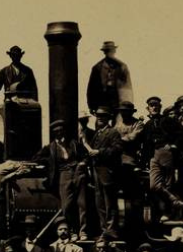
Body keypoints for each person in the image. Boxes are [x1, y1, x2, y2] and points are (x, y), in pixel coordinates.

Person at [34, 120, 87, 238]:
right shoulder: (50, 147)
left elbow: (85, 156)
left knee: (82, 203)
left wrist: (83, 163)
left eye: (61, 131)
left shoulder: (73, 143)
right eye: (56, 132)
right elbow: (36, 158)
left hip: (78, 172)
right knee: (66, 206)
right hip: (63, 174)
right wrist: (49, 162)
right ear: (53, 133)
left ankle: (83, 231)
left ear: (64, 131)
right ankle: (72, 231)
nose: (59, 133)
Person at [141, 96, 183, 220]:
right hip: (154, 155)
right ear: (148, 108)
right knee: (154, 186)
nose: (154, 107)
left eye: (156, 105)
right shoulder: (148, 125)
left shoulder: (167, 120)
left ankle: (168, 213)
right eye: (152, 105)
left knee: (168, 184)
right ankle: (174, 201)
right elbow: (145, 145)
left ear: (160, 107)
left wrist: (174, 145)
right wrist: (143, 162)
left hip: (166, 153)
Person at [84, 106, 123, 235]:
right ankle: (104, 229)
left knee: (109, 202)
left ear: (108, 118)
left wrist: (99, 152)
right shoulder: (97, 133)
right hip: (96, 171)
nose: (100, 118)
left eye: (103, 116)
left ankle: (112, 229)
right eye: (98, 116)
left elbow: (117, 149)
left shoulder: (113, 132)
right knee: (99, 202)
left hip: (108, 172)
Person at [86, 41, 133, 113]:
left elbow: (127, 87)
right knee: (101, 121)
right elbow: (91, 88)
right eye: (107, 51)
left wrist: (128, 105)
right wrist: (91, 105)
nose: (109, 53)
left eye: (111, 51)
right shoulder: (97, 67)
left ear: (114, 51)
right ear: (104, 52)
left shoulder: (121, 66)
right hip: (102, 103)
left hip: (118, 103)